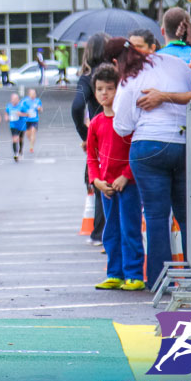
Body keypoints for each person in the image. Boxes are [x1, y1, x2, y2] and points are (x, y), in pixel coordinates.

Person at [109, 37, 191, 288]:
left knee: (157, 216)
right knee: (187, 215)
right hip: (184, 142)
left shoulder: (131, 78)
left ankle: (160, 281)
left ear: (116, 61)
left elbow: (122, 126)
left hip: (148, 147)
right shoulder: (176, 63)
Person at [85, 63, 144, 292]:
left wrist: (126, 176)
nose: (104, 93)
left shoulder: (126, 120)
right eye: (99, 89)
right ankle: (115, 273)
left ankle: (134, 274)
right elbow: (91, 157)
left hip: (128, 185)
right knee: (111, 231)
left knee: (130, 229)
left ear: (118, 90)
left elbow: (136, 152)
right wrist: (96, 181)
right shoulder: (96, 123)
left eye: (109, 88)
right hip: (106, 187)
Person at [71, 32, 109, 245]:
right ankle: (109, 231)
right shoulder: (117, 74)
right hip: (121, 131)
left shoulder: (88, 78)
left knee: (98, 180)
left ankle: (100, 232)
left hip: (99, 133)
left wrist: (85, 134)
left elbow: (77, 106)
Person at [5, 92, 28, 161]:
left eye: (15, 99)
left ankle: (20, 150)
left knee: (20, 139)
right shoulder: (9, 106)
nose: (14, 100)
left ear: (18, 100)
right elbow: (6, 113)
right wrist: (6, 118)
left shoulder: (22, 106)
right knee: (15, 139)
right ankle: (15, 154)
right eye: (12, 99)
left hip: (21, 125)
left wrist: (20, 114)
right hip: (13, 125)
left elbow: (28, 114)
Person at [21, 88, 42, 154]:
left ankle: (31, 147)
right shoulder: (25, 101)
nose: (33, 95)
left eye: (34, 94)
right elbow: (20, 109)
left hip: (34, 120)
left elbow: (41, 110)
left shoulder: (37, 101)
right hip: (27, 120)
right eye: (31, 94)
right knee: (28, 134)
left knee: (33, 131)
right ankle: (31, 142)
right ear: (29, 94)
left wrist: (39, 109)